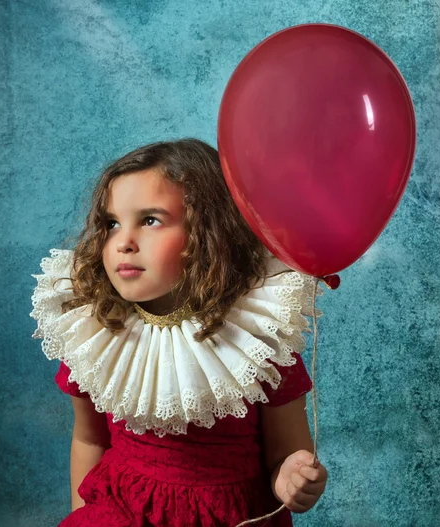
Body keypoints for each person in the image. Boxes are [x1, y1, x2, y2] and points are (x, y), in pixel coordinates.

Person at [30, 138, 328, 527]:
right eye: (111, 223)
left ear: (209, 233)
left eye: (150, 220)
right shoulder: (96, 332)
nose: (123, 242)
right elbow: (90, 439)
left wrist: (291, 478)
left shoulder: (255, 338)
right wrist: (82, 515)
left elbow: (285, 452)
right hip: (118, 514)